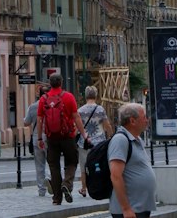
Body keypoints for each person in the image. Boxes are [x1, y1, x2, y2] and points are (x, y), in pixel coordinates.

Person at [37, 71, 89, 205]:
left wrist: (39, 139)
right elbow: (76, 117)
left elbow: (40, 120)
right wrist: (84, 134)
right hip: (68, 136)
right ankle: (67, 184)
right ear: (61, 83)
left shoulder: (43, 99)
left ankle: (57, 198)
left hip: (51, 137)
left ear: (49, 83)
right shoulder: (68, 97)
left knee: (54, 166)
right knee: (71, 162)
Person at [109, 102, 156, 218]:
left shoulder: (136, 139)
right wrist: (126, 209)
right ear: (132, 121)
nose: (147, 120)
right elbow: (115, 176)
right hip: (129, 210)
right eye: (144, 117)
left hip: (140, 207)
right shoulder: (120, 140)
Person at [77, 86, 112, 197]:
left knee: (83, 166)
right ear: (95, 96)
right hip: (99, 144)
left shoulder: (80, 110)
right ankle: (100, 184)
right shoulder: (100, 109)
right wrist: (111, 136)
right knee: (99, 164)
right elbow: (107, 125)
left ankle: (83, 188)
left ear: (86, 96)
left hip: (84, 143)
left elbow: (77, 127)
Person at [23, 85, 50, 198]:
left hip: (36, 138)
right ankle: (51, 179)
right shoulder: (52, 105)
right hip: (50, 137)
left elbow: (26, 122)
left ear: (38, 94)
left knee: (39, 165)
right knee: (52, 163)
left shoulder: (33, 106)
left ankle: (41, 189)